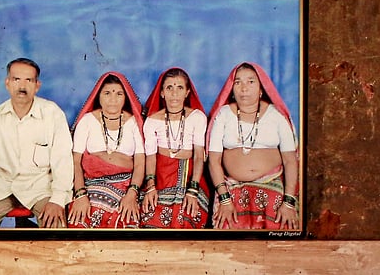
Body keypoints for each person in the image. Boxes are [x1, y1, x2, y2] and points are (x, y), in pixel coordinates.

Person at [0, 58, 74, 228]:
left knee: (56, 225)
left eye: (29, 80)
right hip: (3, 185)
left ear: (37, 86)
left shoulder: (52, 113)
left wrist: (57, 199)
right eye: (16, 79)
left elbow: (62, 160)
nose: (22, 86)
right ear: (7, 83)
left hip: (41, 186)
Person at [206, 62, 300, 230]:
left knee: (281, 228)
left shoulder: (276, 115)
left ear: (261, 88)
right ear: (232, 89)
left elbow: (290, 160)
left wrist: (288, 202)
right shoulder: (223, 114)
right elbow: (214, 160)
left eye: (250, 81)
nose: (244, 88)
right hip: (231, 188)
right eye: (238, 82)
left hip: (273, 185)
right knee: (226, 226)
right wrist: (225, 200)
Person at [68, 72, 146, 228]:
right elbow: (75, 162)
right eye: (107, 93)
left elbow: (140, 163)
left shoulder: (134, 123)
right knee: (80, 219)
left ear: (125, 97)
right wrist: (81, 195)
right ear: (98, 96)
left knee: (128, 220)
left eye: (119, 94)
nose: (113, 99)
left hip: (126, 186)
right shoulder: (87, 120)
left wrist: (132, 193)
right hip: (90, 186)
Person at [140, 67, 211, 229]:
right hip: (160, 177)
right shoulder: (152, 121)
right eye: (169, 88)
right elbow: (150, 157)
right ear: (162, 93)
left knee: (188, 216)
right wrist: (151, 187)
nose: (174, 93)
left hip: (191, 177)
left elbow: (199, 156)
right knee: (150, 217)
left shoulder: (197, 117)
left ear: (187, 93)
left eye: (180, 88)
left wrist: (193, 190)